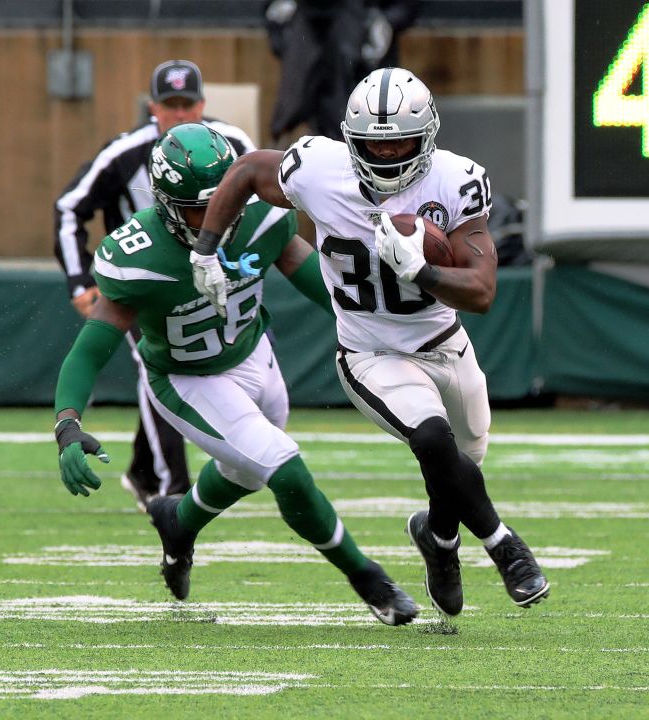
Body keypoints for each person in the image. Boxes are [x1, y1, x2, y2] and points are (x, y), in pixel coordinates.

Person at [189, 67, 549, 615]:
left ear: (427, 136)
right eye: (372, 145)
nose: (387, 157)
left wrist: (422, 272)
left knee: (459, 463)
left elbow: (481, 292)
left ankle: (439, 538)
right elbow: (244, 172)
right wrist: (205, 250)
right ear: (348, 140)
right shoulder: (317, 168)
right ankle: (506, 549)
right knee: (433, 440)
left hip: (445, 341)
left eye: (400, 142)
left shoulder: (455, 180)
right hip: (370, 351)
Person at [52, 123, 419, 626]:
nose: (217, 217)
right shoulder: (138, 256)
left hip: (254, 355)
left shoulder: (262, 216)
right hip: (187, 380)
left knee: (245, 469)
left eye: (224, 197)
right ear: (165, 204)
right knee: (283, 467)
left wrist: (382, 327)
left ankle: (177, 523)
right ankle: (369, 579)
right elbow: (89, 351)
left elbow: (318, 282)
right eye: (199, 207)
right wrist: (67, 423)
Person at [53, 59, 256, 511]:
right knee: (158, 369)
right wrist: (79, 282)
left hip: (219, 278)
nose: (180, 114)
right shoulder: (125, 153)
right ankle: (171, 487)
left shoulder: (233, 146)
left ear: (203, 105)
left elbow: (261, 202)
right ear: (153, 108)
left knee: (219, 368)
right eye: (171, 105)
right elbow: (69, 208)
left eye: (188, 104)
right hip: (146, 282)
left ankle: (144, 468)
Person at [264, 0, 421, 145]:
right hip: (304, 19)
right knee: (295, 100)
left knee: (351, 103)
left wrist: (388, 21)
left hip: (358, 25)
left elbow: (406, 5)